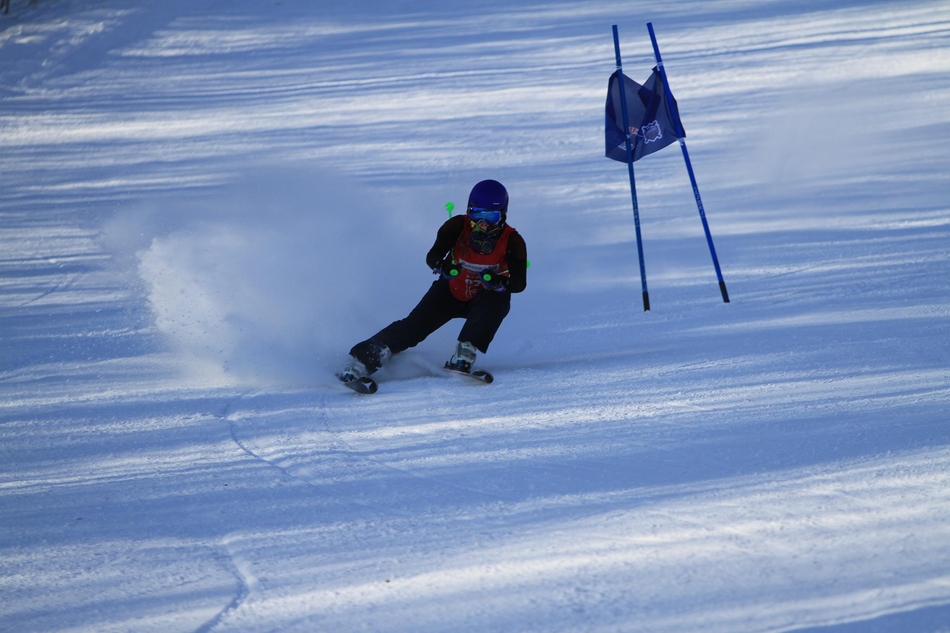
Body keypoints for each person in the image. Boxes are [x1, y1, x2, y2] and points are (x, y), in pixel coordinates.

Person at [339, 179, 527, 383]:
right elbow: (433, 255)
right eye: (477, 214)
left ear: (503, 215)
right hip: (449, 292)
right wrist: (442, 266)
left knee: (498, 300)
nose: (483, 224)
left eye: (491, 216)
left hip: (483, 298)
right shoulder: (456, 226)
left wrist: (500, 283)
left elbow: (519, 283)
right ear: (468, 210)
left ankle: (464, 354)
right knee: (413, 328)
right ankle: (362, 362)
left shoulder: (513, 241)